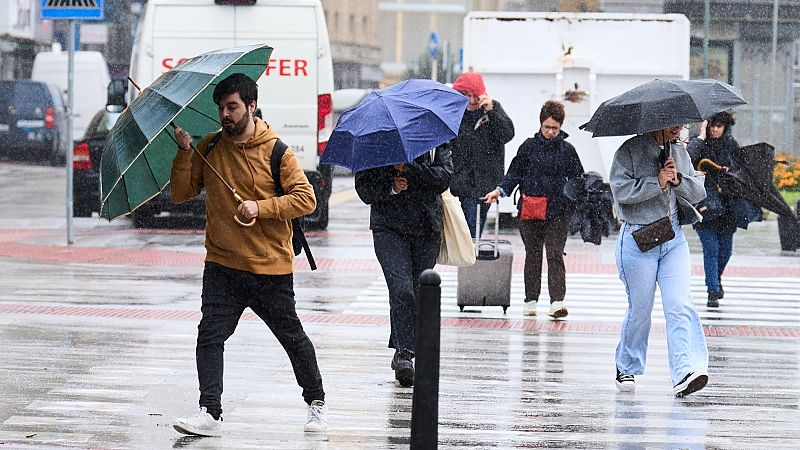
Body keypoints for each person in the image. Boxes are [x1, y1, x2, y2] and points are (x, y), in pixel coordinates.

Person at [169, 73, 327, 436]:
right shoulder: (209, 147)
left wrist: (261, 207)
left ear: (251, 106)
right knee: (210, 335)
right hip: (222, 264)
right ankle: (210, 411)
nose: (225, 114)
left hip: (269, 268)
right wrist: (183, 153)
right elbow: (180, 194)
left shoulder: (277, 151)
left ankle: (316, 401)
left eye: (232, 107)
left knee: (292, 337)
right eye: (221, 108)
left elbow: (307, 199)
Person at [609, 124, 709, 398]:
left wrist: (678, 180)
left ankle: (685, 371)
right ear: (657, 121)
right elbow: (620, 192)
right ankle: (626, 365)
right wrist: (657, 182)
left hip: (673, 239)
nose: (678, 127)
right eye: (672, 123)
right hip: (638, 239)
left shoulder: (679, 151)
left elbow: (698, 191)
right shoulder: (629, 151)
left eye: (681, 123)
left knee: (679, 304)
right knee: (640, 310)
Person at [354, 145, 453, 387]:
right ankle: (405, 353)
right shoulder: (378, 144)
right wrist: (390, 184)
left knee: (418, 293)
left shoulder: (433, 141)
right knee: (402, 290)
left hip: (426, 228)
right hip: (388, 229)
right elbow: (364, 189)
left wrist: (410, 168)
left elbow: (443, 178)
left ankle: (403, 346)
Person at [484, 101, 584, 319]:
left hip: (558, 212)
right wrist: (500, 191)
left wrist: (578, 203)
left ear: (561, 127)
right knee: (533, 255)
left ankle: (557, 301)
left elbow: (578, 180)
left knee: (554, 254)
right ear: (540, 124)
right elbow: (514, 174)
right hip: (530, 211)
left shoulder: (568, 151)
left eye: (555, 128)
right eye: (547, 127)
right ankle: (530, 300)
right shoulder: (528, 147)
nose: (550, 132)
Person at [449, 72, 515, 237]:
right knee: (468, 227)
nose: (472, 100)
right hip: (461, 181)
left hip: (485, 181)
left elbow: (507, 134)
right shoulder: (454, 112)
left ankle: (471, 250)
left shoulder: (493, 109)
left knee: (476, 224)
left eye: (475, 96)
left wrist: (492, 112)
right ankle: (470, 251)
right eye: (466, 95)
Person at [686, 112, 739, 308]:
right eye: (712, 125)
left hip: (726, 208)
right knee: (711, 249)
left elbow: (740, 170)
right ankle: (713, 290)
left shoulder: (731, 144)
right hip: (704, 206)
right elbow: (688, 159)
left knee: (726, 251)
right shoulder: (698, 143)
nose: (715, 129)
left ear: (725, 127)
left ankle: (715, 280)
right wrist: (701, 136)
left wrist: (728, 172)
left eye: (720, 126)